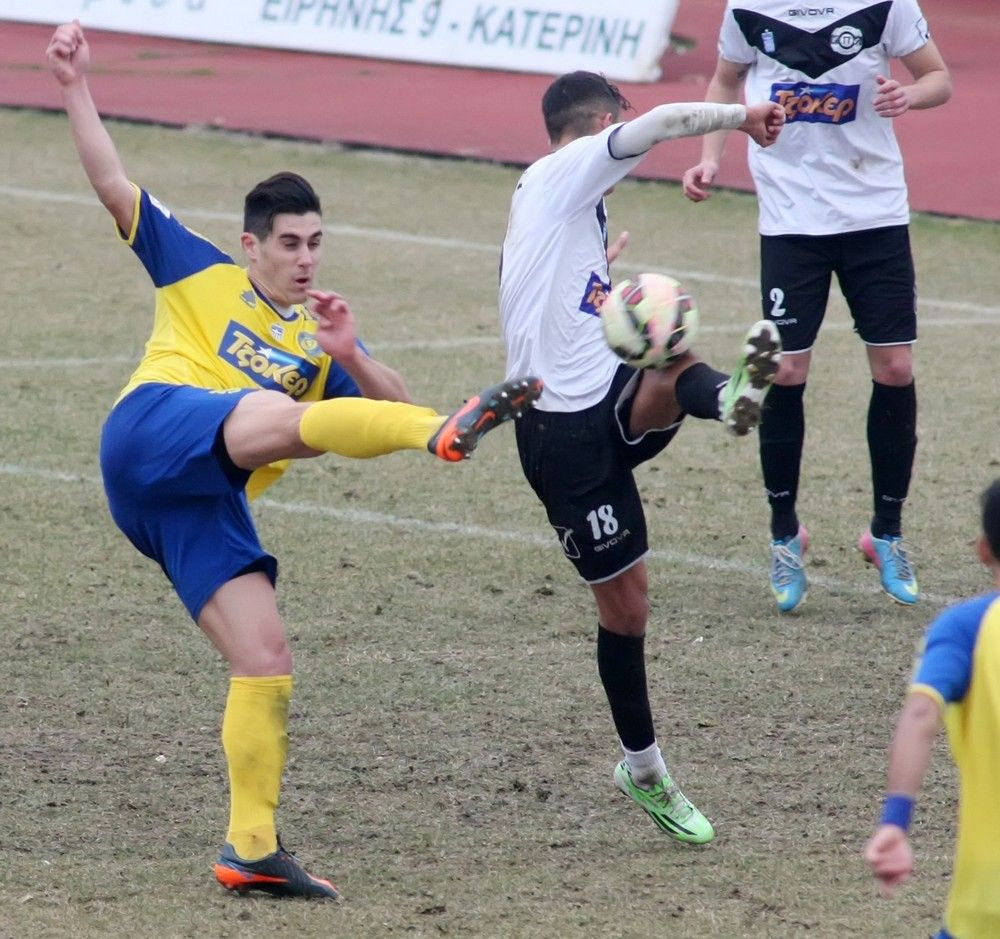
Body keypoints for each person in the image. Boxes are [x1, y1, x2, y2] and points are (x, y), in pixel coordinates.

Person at [46, 20, 542, 900]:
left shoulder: (320, 341)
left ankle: (251, 847)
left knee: (265, 655)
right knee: (277, 414)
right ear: (252, 245)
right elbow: (112, 182)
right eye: (289, 243)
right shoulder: (198, 269)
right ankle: (440, 432)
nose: (306, 258)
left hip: (198, 496)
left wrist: (349, 352)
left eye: (315, 243)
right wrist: (75, 85)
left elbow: (382, 395)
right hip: (151, 429)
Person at [500, 70, 785, 843]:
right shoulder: (567, 169)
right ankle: (645, 769)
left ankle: (729, 397)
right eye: (615, 127)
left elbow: (546, 303)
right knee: (626, 609)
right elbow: (662, 122)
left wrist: (599, 286)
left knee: (666, 350)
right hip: (560, 438)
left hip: (601, 399)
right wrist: (742, 116)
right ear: (600, 125)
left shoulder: (559, 204)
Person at [682, 0, 951, 612]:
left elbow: (939, 78)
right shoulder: (748, 9)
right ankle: (785, 536)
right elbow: (725, 80)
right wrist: (710, 157)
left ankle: (886, 533)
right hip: (791, 219)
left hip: (875, 213)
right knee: (785, 371)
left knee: (895, 369)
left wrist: (910, 95)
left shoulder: (885, 6)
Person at [865, 479, 1000, 938]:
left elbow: (921, 714)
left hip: (988, 906)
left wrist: (895, 823)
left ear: (983, 550)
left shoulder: (967, 628)